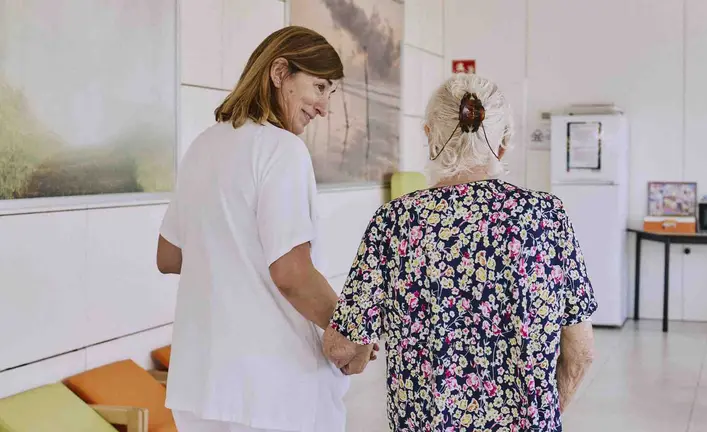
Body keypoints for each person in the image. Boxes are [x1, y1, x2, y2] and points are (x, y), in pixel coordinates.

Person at [323, 73, 597, 431]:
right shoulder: (547, 216)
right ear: (503, 144)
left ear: (429, 137)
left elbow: (341, 348)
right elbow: (581, 352)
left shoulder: (396, 222)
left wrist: (357, 354)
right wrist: (542, 416)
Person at [156, 26, 375, 432]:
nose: (325, 107)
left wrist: (231, 251)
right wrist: (352, 333)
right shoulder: (282, 150)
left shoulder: (203, 146)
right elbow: (291, 273)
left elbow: (168, 257)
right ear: (279, 73)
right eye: (319, 87)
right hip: (273, 392)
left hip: (199, 389)